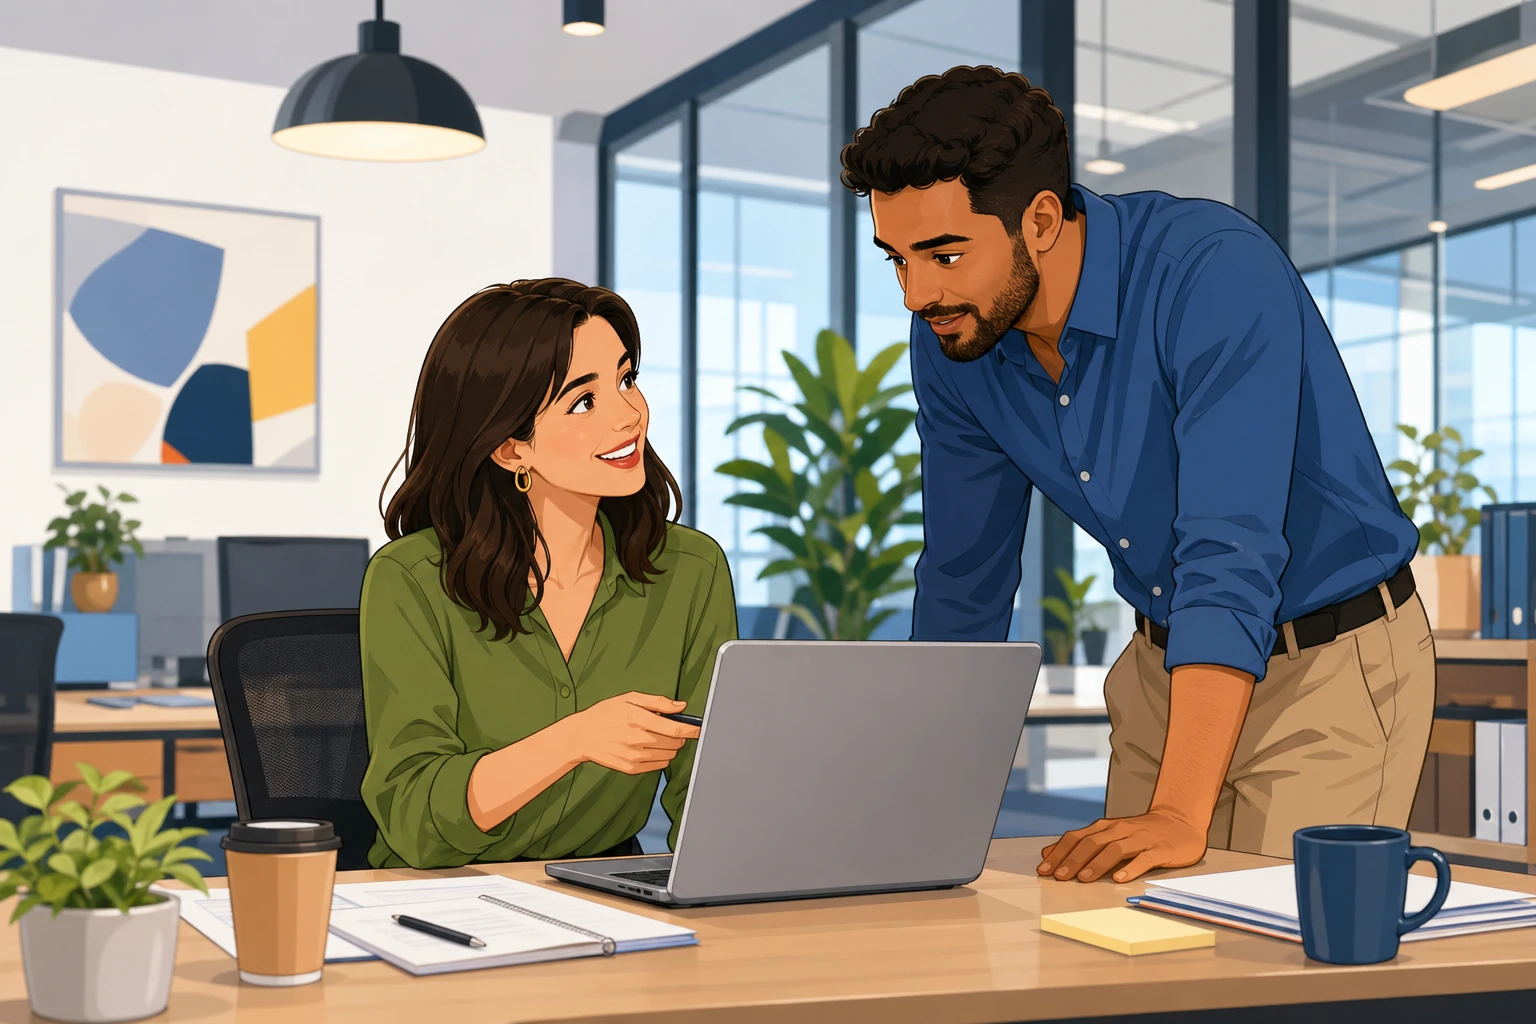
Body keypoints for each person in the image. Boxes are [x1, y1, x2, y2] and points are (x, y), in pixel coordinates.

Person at [839, 66, 1432, 882]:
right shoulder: (958, 338)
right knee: (1120, 952)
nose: (917, 293)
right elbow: (963, 581)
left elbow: (1231, 548)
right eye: (897, 259)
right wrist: (917, 805)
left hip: (1324, 670)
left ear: (1040, 220)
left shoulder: (1212, 272)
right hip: (1162, 671)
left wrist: (1179, 812)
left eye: (943, 254)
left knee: (1267, 974)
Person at [360, 278, 737, 869]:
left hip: (604, 889)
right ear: (511, 448)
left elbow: (712, 788)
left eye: (627, 379)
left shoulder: (687, 572)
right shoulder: (411, 579)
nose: (629, 415)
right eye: (584, 401)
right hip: (440, 898)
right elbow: (414, 817)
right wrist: (576, 739)